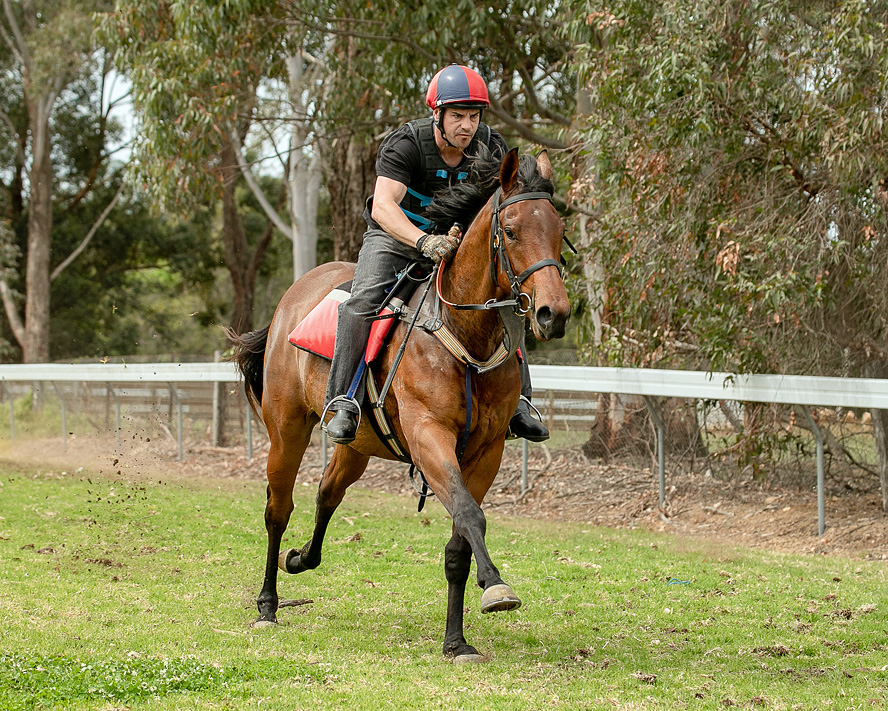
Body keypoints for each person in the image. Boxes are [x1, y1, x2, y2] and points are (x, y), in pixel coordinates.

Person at [324, 63, 548, 445]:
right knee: (362, 301)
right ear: (437, 115)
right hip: (395, 238)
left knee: (508, 299)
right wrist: (423, 242)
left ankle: (521, 403)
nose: (467, 125)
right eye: (457, 116)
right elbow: (383, 207)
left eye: (474, 116)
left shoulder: (489, 145)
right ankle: (343, 400)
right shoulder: (405, 144)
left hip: (456, 240)